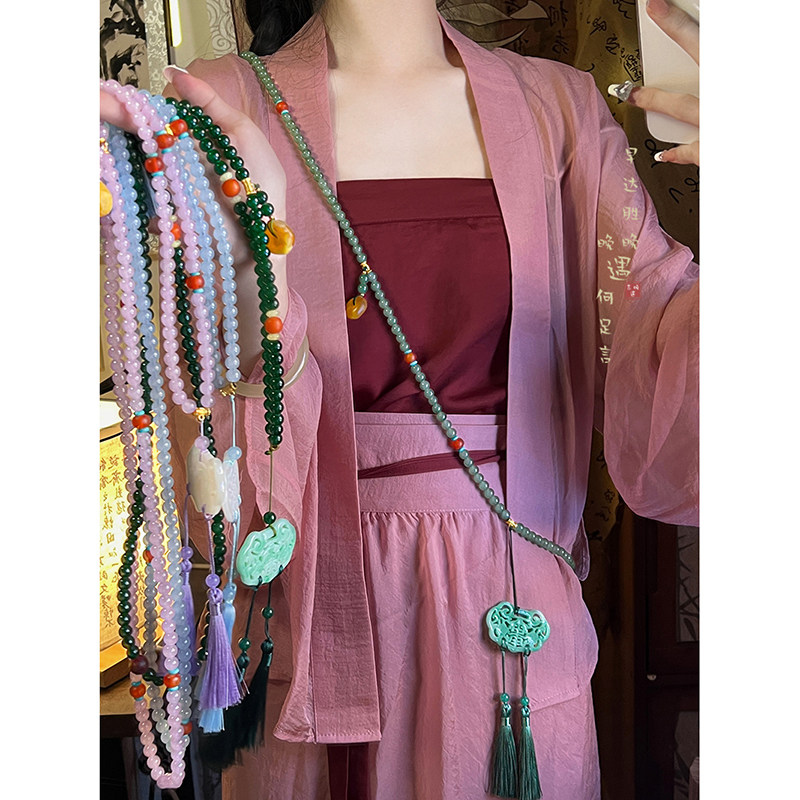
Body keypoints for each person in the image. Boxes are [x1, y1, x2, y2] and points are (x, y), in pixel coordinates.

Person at [101, 1, 698, 798]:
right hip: (310, 610)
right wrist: (253, 272)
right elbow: (211, 463)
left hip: (510, 627)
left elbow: (670, 369)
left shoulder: (558, 107)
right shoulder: (221, 104)